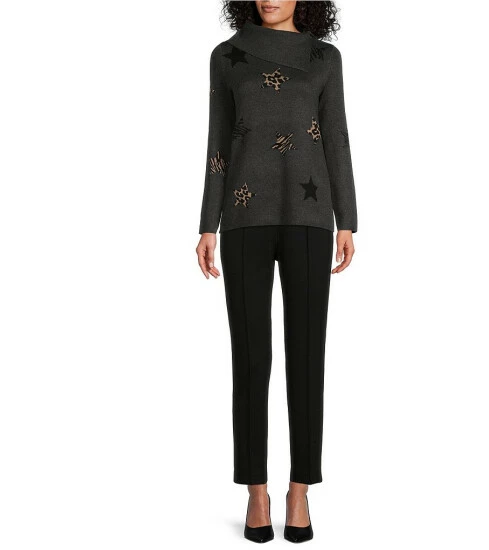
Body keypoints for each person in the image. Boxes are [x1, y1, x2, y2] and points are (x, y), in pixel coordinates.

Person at [195, 0, 358, 543]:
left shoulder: (323, 58)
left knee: (307, 357)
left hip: (311, 220)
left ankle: (300, 490)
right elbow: (218, 143)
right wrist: (208, 224)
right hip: (243, 220)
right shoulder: (227, 56)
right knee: (250, 359)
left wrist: (348, 219)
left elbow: (336, 136)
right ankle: (256, 492)